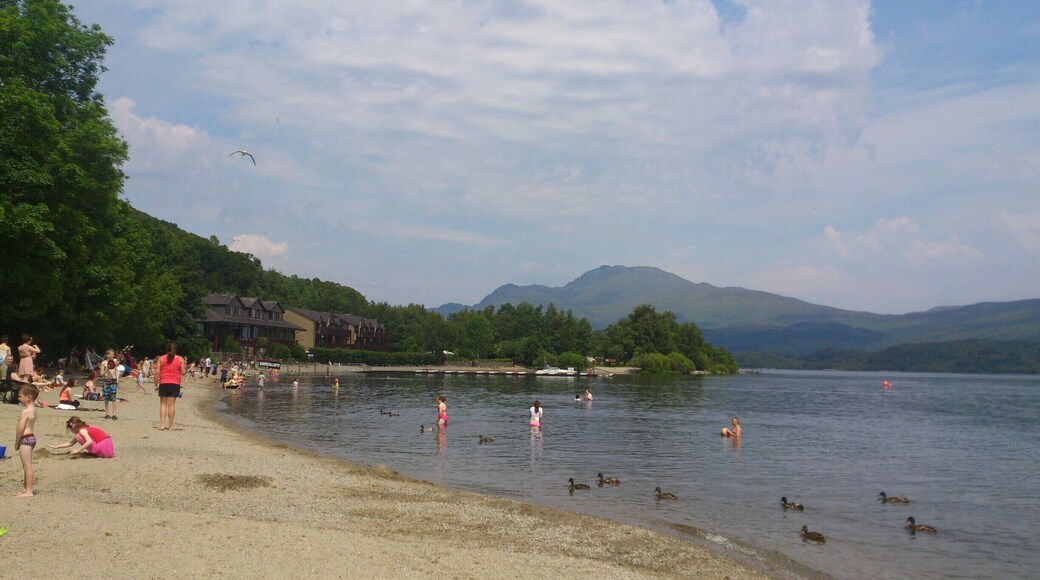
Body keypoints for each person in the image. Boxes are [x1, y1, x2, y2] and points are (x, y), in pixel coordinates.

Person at [47, 416, 115, 458]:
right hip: (108, 445)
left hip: (103, 447)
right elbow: (70, 443)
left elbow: (89, 442)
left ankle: (95, 452)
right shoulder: (85, 428)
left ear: (73, 428)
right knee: (79, 436)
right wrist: (56, 447)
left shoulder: (82, 431)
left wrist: (78, 450)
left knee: (78, 437)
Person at [154, 342, 186, 431]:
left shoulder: (161, 358)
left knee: (163, 405)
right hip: (175, 383)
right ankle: (171, 426)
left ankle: (162, 425)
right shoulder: (180, 359)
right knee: (171, 405)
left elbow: (157, 373)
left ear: (166, 349)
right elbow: (183, 372)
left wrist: (156, 383)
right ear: (176, 350)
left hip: (164, 383)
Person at [14, 385, 39, 497]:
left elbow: (20, 429)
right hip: (31, 438)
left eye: (20, 396)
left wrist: (16, 442)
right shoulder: (33, 410)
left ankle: (29, 491)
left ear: (28, 397)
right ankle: (25, 489)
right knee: (26, 466)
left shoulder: (25, 411)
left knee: (27, 467)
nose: (18, 398)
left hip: (25, 439)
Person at [101, 349, 120, 420]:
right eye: (111, 354)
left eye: (113, 354)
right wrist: (107, 369)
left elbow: (117, 370)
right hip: (106, 380)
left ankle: (114, 414)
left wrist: (118, 379)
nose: (112, 355)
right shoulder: (103, 363)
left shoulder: (115, 361)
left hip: (113, 380)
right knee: (106, 398)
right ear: (107, 355)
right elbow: (101, 374)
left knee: (113, 398)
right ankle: (107, 413)